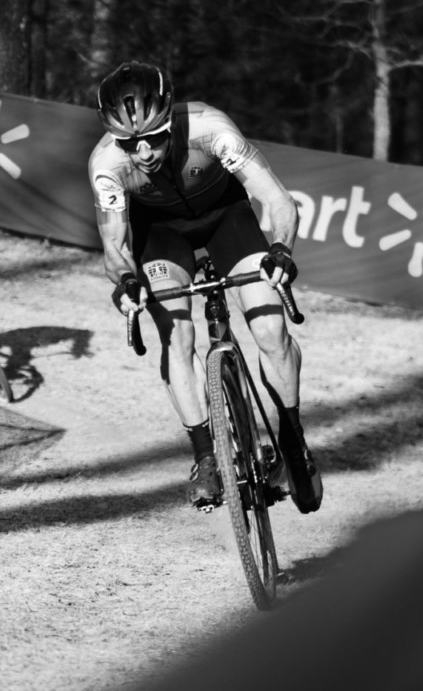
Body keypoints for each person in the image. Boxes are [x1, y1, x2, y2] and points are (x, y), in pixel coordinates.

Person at [87, 61, 322, 514]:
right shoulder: (106, 164)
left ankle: (292, 443)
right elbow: (115, 247)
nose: (144, 153)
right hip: (161, 233)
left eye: (154, 138)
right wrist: (127, 282)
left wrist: (281, 250)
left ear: (170, 118)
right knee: (176, 333)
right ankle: (204, 457)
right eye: (130, 143)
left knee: (271, 330)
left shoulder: (211, 128)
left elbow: (277, 200)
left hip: (227, 218)